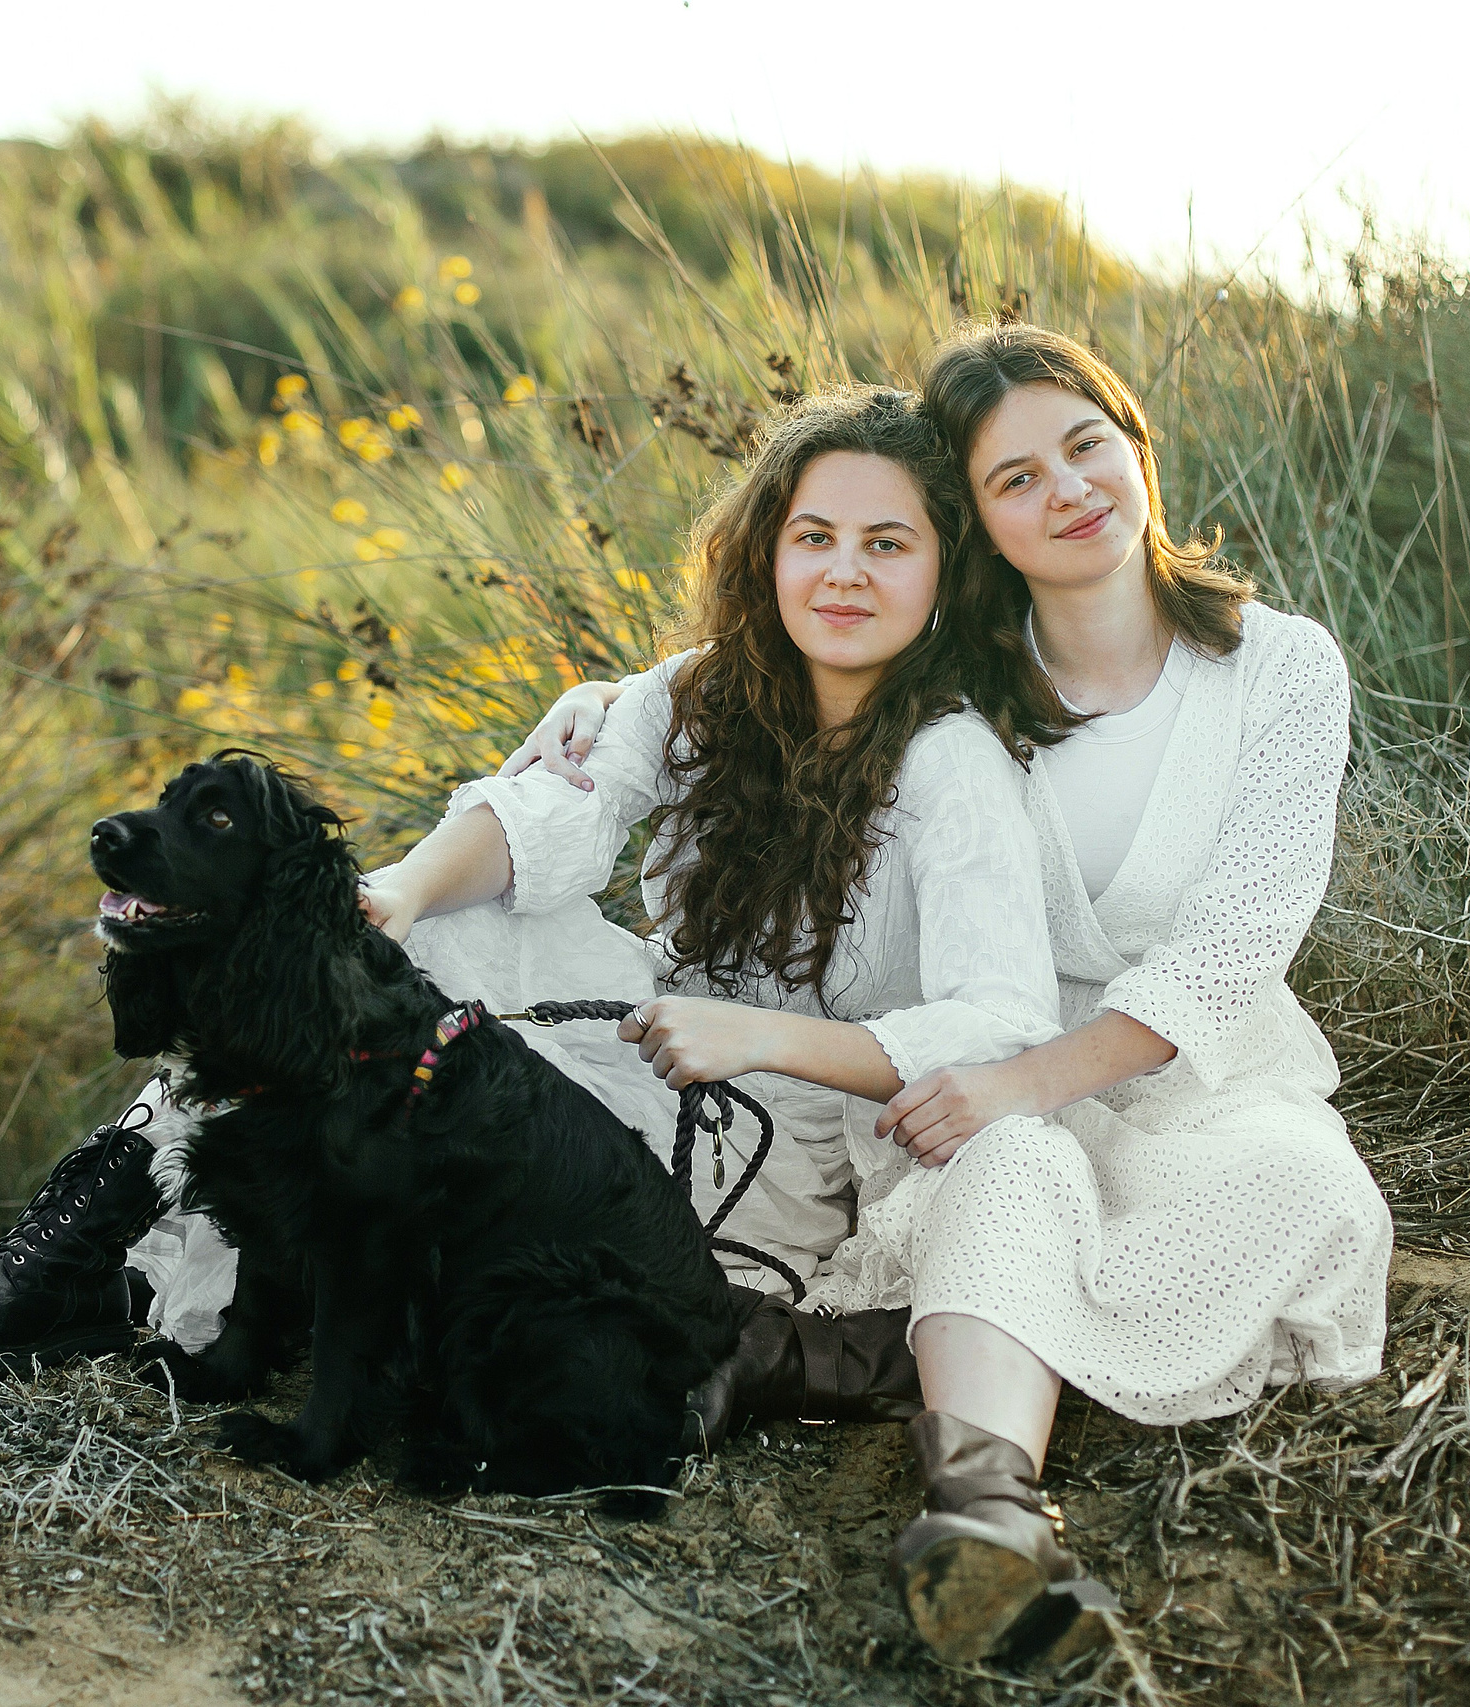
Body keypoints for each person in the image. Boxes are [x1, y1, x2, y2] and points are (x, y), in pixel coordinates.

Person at [0, 382, 1123, 1667]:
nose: (844, 574)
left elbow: (995, 1018)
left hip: (815, 1109)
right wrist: (397, 897)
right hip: (671, 1037)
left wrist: (756, 1038)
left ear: (942, 571)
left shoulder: (951, 762)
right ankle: (95, 1222)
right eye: (814, 536)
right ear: (766, 548)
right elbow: (555, 823)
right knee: (422, 939)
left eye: (888, 545)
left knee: (454, 1076)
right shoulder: (706, 692)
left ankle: (346, 1306)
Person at [509, 324, 1393, 1662]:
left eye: (1084, 446)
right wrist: (604, 703)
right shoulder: (959, 672)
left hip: (1191, 1066)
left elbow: (1235, 942)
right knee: (1011, 1172)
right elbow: (767, 659)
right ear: (979, 523)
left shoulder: (1280, 667)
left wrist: (1029, 1076)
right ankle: (987, 1519)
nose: (1068, 491)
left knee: (1306, 1189)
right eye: (1015, 479)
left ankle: (801, 1357)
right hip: (971, 1057)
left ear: (1134, 442)